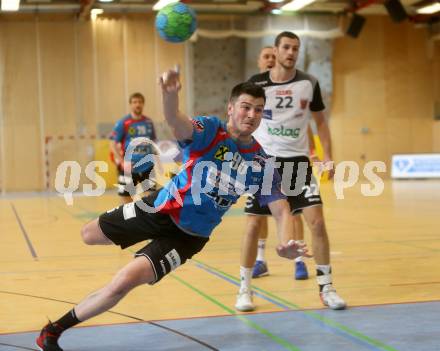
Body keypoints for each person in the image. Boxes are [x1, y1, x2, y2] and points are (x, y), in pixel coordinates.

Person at [36, 67, 311, 351]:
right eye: (245, 107)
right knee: (88, 234)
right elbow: (176, 121)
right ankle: (130, 243)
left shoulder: (261, 162)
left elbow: (281, 208)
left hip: (188, 238)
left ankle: (52, 331)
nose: (251, 115)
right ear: (231, 108)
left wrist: (285, 242)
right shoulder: (211, 131)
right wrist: (169, 96)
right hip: (158, 208)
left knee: (122, 283)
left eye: (258, 109)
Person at [235, 31, 346, 312]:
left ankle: (327, 287)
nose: (291, 52)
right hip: (266, 163)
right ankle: (244, 289)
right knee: (251, 225)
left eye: (295, 48)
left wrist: (327, 156)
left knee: (317, 223)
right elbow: (243, 119)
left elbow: (320, 123)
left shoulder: (309, 83)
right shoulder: (256, 84)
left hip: (298, 163)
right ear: (276, 50)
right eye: (286, 47)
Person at [252, 46, 318, 281]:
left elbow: (304, 124)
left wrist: (314, 151)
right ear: (259, 61)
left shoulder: (290, 90)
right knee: (257, 216)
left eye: (273, 56)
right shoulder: (255, 91)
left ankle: (299, 260)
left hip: (290, 159)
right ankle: (260, 259)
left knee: (294, 211)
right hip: (261, 160)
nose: (270, 60)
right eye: (266, 56)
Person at [110, 92, 157, 204]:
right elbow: (112, 144)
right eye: (135, 102)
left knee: (151, 200)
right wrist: (122, 161)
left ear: (143, 104)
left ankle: (146, 221)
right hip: (129, 167)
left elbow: (153, 141)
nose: (138, 104)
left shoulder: (149, 122)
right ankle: (127, 221)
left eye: (140, 102)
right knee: (126, 201)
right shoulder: (123, 123)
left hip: (147, 166)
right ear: (130, 104)